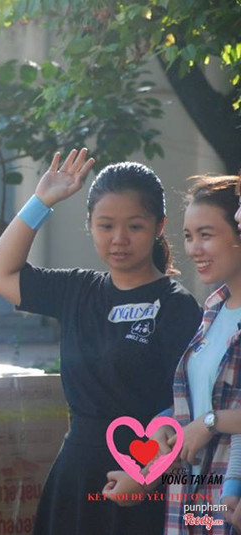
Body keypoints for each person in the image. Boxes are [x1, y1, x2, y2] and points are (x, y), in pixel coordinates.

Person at [0, 154, 202, 535]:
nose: (119, 239)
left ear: (159, 227)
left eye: (134, 226)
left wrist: (146, 473)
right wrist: (41, 201)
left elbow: (187, 407)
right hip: (76, 473)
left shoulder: (177, 305)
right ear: (90, 225)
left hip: (140, 481)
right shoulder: (77, 289)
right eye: (106, 225)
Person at [104, 175, 241, 535]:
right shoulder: (213, 310)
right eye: (188, 236)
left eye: (206, 235)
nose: (194, 249)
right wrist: (163, 431)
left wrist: (210, 422)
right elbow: (196, 403)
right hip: (194, 503)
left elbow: (208, 417)